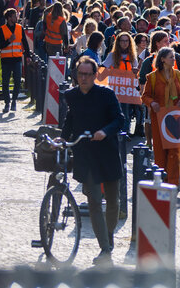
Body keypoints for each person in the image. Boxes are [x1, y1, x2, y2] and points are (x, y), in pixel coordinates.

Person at [60, 56, 124, 266]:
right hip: (85, 154)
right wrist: (63, 137)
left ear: (95, 75)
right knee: (95, 202)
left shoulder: (106, 94)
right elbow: (71, 118)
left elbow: (119, 119)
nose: (84, 78)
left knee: (114, 201)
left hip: (106, 152)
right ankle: (105, 248)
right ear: (76, 75)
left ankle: (108, 236)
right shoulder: (71, 95)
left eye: (88, 74)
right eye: (81, 74)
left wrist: (105, 132)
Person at [141, 47, 180, 186]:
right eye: (171, 57)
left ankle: (173, 183)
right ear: (162, 59)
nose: (174, 59)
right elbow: (145, 96)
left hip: (175, 118)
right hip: (158, 118)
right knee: (160, 151)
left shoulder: (178, 75)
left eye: (174, 57)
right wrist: (152, 103)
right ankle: (160, 182)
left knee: (174, 151)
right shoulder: (152, 77)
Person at [103, 32, 139, 134]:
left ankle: (125, 132)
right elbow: (103, 68)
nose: (124, 43)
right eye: (122, 41)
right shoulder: (112, 56)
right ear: (118, 42)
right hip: (114, 88)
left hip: (127, 89)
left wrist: (136, 72)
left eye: (126, 41)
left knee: (126, 111)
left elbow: (136, 72)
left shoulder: (132, 56)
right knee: (114, 110)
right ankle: (113, 130)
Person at [0, 8, 30, 113]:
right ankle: (7, 102)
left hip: (17, 59)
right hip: (6, 60)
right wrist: (9, 41)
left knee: (17, 81)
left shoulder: (20, 28)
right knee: (5, 83)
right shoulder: (2, 29)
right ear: (9, 18)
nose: (17, 17)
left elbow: (25, 42)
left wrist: (27, 55)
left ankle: (14, 101)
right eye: (15, 16)